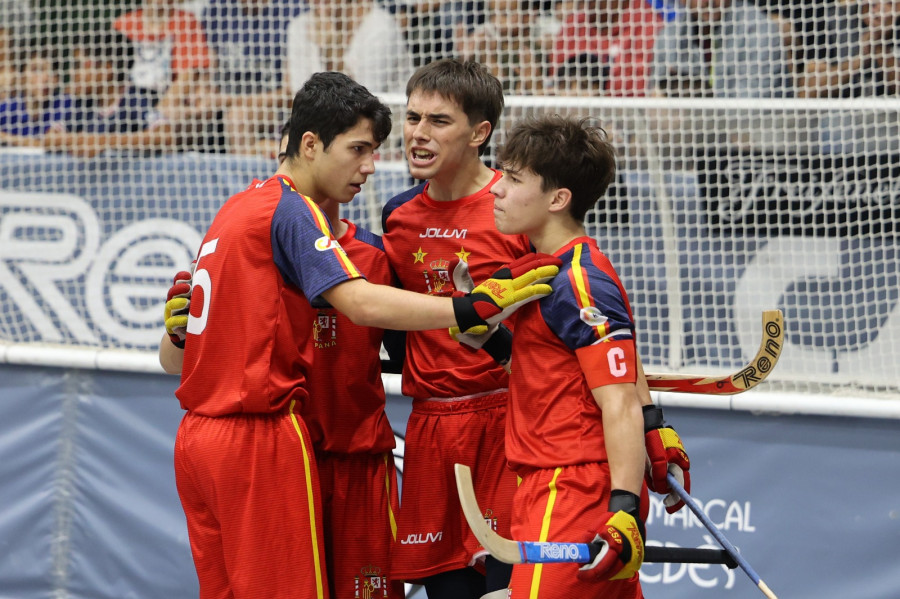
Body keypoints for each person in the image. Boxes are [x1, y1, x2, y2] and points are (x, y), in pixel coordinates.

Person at [158, 71, 560, 598]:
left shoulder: (238, 210)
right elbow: (363, 303)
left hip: (243, 439)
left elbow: (174, 358)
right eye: (359, 150)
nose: (372, 166)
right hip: (270, 435)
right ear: (310, 145)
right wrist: (471, 307)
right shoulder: (296, 213)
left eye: (436, 121)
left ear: (480, 132)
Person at [381, 58, 530, 599]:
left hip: (509, 426)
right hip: (432, 430)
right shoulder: (395, 217)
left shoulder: (517, 211)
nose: (418, 134)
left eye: (438, 121)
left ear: (480, 133)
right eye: (413, 117)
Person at [489, 114, 649, 597]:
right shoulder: (549, 269)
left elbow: (618, 400)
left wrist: (623, 509)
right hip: (556, 482)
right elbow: (555, 373)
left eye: (514, 180)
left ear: (558, 199)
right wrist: (487, 338)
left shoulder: (579, 279)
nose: (496, 189)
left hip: (572, 491)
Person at [113, 0, 221, 151]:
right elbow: (114, 76)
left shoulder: (186, 22)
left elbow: (188, 75)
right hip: (128, 100)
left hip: (168, 100)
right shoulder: (124, 24)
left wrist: (158, 112)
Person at [201, 0, 302, 155]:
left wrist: (229, 100)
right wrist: (205, 96)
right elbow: (207, 75)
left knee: (237, 116)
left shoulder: (290, 9)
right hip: (221, 107)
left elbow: (290, 93)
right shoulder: (218, 9)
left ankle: (247, 176)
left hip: (276, 108)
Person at [549, 0, 664, 97]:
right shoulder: (572, 24)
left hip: (629, 114)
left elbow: (645, 88)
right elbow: (555, 77)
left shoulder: (650, 25)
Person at [0, 45, 73, 144]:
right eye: (37, 70)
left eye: (52, 72)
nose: (46, 78)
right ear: (21, 76)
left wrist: (7, 138)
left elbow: (51, 143)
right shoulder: (6, 110)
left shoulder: (65, 105)